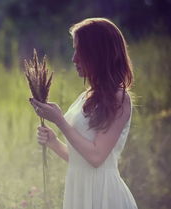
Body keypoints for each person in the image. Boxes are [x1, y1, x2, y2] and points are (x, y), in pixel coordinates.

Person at [29, 18, 138, 209]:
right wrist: (54, 142)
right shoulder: (86, 97)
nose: (74, 59)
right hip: (79, 192)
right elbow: (80, 159)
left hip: (103, 196)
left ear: (98, 54)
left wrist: (60, 121)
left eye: (80, 51)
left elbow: (96, 158)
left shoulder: (120, 98)